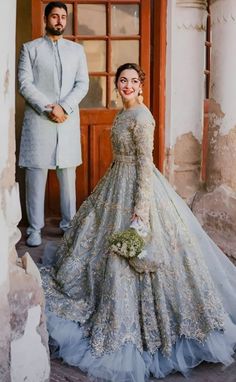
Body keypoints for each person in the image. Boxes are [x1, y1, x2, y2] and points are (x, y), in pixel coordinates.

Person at [40, 63, 236, 381]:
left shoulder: (143, 117)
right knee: (91, 246)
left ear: (141, 86)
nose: (127, 85)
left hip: (139, 189)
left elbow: (145, 166)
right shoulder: (123, 113)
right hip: (116, 181)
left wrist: (140, 214)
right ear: (117, 85)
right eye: (123, 80)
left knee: (131, 260)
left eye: (133, 81)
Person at [18, 1, 89, 247]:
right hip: (40, 120)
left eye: (63, 16)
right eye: (55, 16)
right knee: (36, 175)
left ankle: (69, 225)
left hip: (66, 121)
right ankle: (35, 229)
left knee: (68, 175)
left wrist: (64, 107)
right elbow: (25, 83)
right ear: (46, 19)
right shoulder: (30, 49)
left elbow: (82, 84)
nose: (59, 20)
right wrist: (49, 108)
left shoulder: (76, 51)